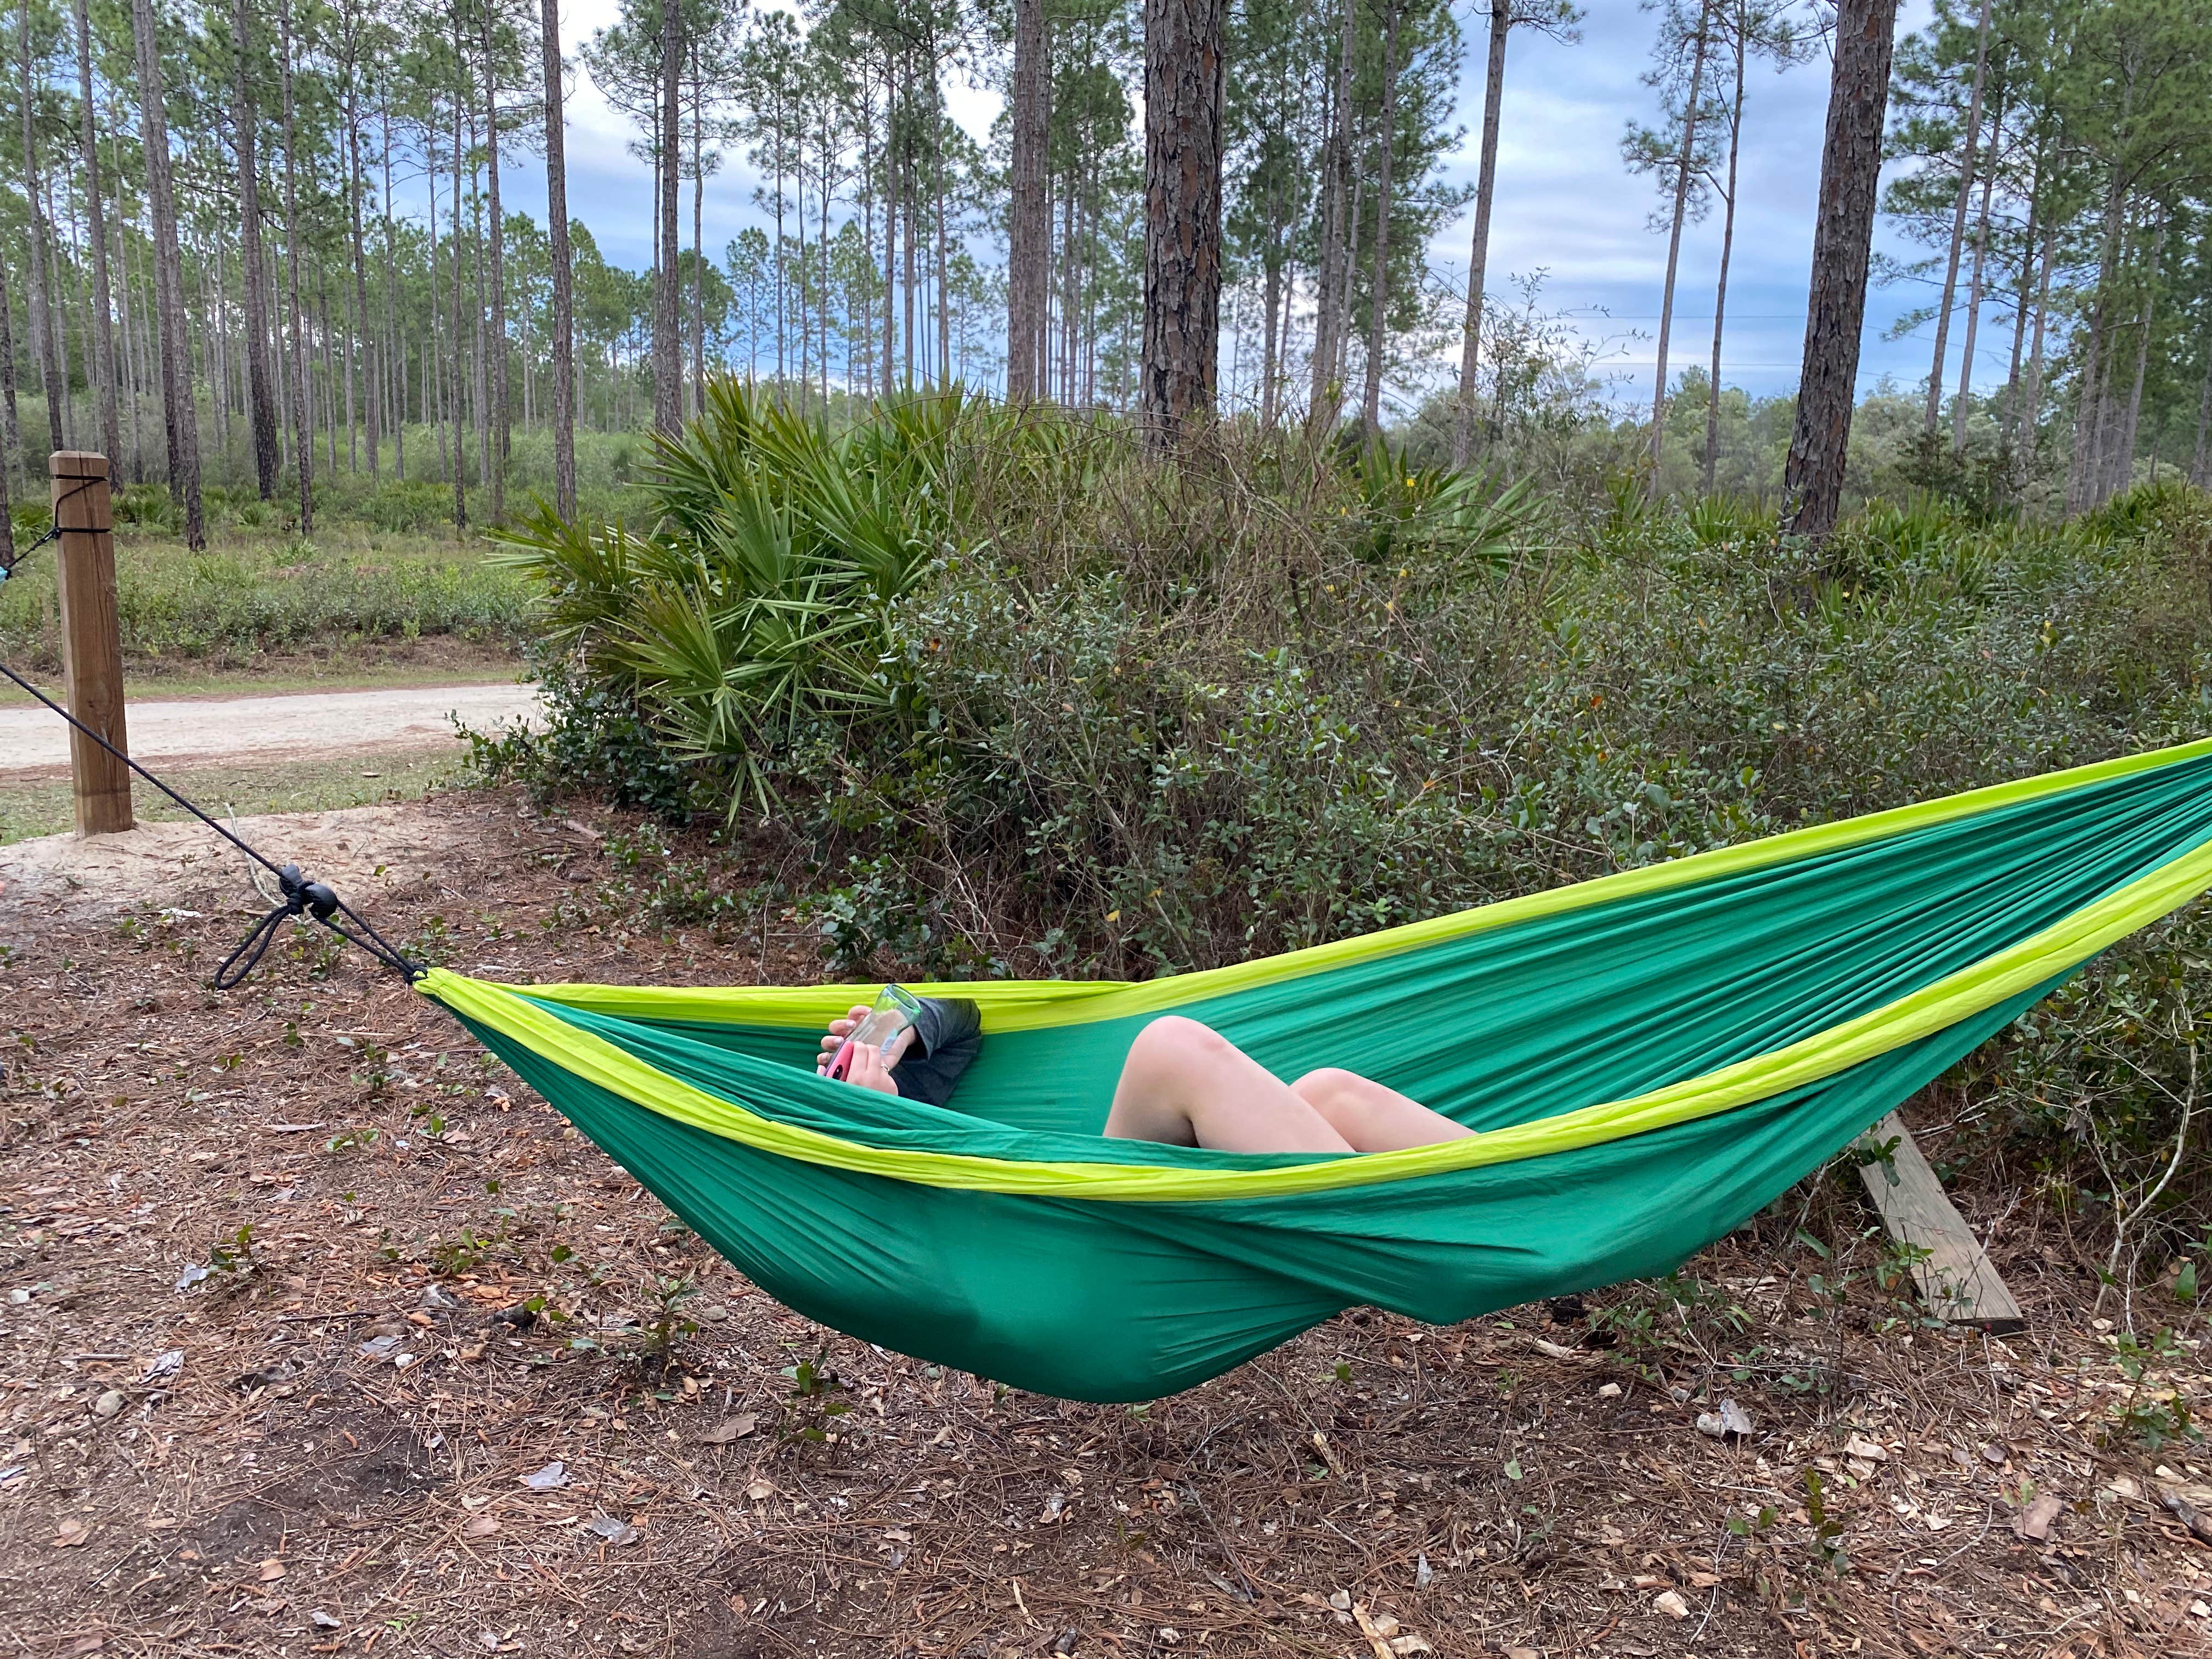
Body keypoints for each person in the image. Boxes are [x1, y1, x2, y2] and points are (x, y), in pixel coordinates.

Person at [817, 1000, 1474, 1155]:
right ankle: (1381, 1221)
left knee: (1328, 1092)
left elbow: (967, 1022)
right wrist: (882, 1117)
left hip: (1101, 1190)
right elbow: (915, 1235)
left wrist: (907, 1021)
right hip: (1044, 1241)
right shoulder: (840, 1131)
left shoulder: (912, 1075)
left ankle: (1531, 1194)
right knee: (1170, 1048)